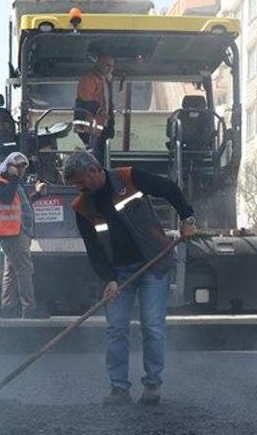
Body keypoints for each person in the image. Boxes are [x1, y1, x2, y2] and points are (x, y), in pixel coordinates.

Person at [63, 151, 197, 406]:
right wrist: (109, 279)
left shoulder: (128, 178)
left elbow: (168, 189)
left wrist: (187, 218)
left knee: (152, 326)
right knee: (116, 328)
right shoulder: (82, 207)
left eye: (80, 182)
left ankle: (152, 384)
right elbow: (94, 249)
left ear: (94, 170)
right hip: (119, 271)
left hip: (154, 263)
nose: (78, 188)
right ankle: (119, 388)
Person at [0, 152, 49, 319]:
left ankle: (8, 308)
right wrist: (15, 178)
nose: (21, 169)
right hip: (12, 233)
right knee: (24, 270)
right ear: (9, 167)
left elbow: (23, 204)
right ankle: (29, 309)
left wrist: (37, 194)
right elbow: (6, 198)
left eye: (23, 166)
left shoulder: (14, 184)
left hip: (18, 232)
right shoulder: (0, 184)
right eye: (18, 166)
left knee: (11, 271)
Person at [75, 54, 116, 163]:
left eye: (112, 66)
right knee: (94, 156)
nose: (110, 68)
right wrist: (100, 111)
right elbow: (86, 100)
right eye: (107, 65)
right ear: (99, 64)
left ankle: (99, 170)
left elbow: (107, 101)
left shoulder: (105, 79)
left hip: (101, 125)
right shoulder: (89, 79)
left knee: (100, 156)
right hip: (88, 125)